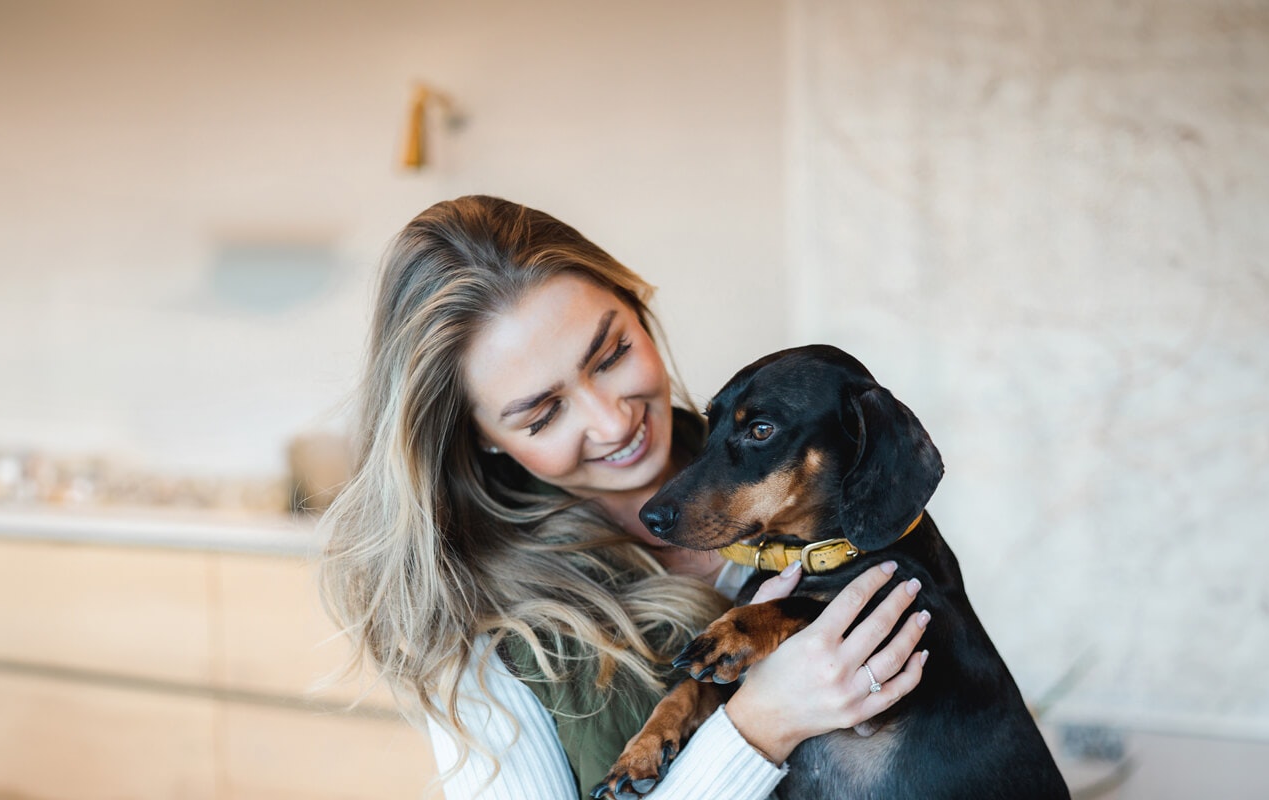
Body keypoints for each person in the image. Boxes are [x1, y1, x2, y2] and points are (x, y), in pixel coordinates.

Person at [317, 196, 930, 798]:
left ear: (637, 308)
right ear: (480, 441)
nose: (613, 424)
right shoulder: (480, 634)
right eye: (543, 413)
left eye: (612, 356)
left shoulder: (823, 482)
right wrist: (758, 728)